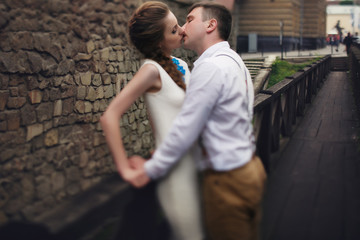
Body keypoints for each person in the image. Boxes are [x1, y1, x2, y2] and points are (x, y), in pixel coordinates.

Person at [128, 2, 267, 240]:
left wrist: (149, 169)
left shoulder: (211, 67)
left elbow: (186, 128)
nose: (182, 27)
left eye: (190, 19)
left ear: (210, 25)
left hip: (228, 180)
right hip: (251, 169)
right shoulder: (233, 60)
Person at [100, 2, 204, 240]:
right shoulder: (151, 70)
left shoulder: (181, 66)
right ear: (159, 42)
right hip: (174, 173)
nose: (182, 30)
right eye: (174, 30)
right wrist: (124, 168)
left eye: (178, 25)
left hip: (189, 164)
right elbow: (110, 116)